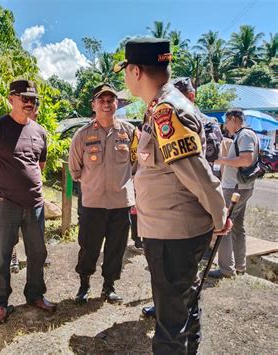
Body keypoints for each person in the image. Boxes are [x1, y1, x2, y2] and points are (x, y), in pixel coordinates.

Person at [116, 38, 231, 354]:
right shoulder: (159, 106)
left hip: (173, 236)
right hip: (169, 231)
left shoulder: (167, 110)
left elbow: (197, 173)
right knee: (183, 306)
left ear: (136, 71)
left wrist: (220, 216)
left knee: (169, 328)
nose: (125, 77)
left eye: (126, 70)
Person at [0, 79, 56, 323]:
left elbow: (39, 166)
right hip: (4, 204)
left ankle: (35, 295)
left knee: (37, 252)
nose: (30, 103)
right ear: (11, 99)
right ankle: (0, 303)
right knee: (1, 254)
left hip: (34, 205)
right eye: (25, 98)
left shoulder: (40, 132)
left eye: (34, 99)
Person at [141, 76, 224, 318]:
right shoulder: (156, 113)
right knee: (172, 281)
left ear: (192, 96)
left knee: (183, 283)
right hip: (169, 212)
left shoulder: (203, 122)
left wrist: (218, 214)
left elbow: (205, 169)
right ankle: (166, 306)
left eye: (183, 94)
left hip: (191, 208)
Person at [68, 83, 135, 304]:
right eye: (101, 100)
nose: (106, 104)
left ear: (117, 103)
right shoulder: (82, 135)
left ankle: (109, 287)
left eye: (110, 100)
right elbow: (75, 169)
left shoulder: (130, 132)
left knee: (116, 248)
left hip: (120, 203)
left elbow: (137, 165)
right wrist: (93, 184)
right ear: (93, 105)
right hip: (93, 203)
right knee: (89, 247)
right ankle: (84, 284)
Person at [210, 108, 258, 278]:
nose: (225, 125)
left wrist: (221, 160)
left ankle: (226, 269)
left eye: (226, 121)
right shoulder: (245, 134)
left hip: (235, 188)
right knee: (238, 227)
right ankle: (239, 266)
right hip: (242, 187)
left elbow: (246, 159)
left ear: (233, 119)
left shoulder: (244, 135)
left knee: (224, 225)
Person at [10, 98, 40, 273]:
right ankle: (13, 259)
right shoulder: (8, 130)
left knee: (34, 238)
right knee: (10, 236)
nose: (34, 116)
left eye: (36, 114)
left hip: (32, 198)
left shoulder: (39, 133)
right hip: (8, 196)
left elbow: (39, 165)